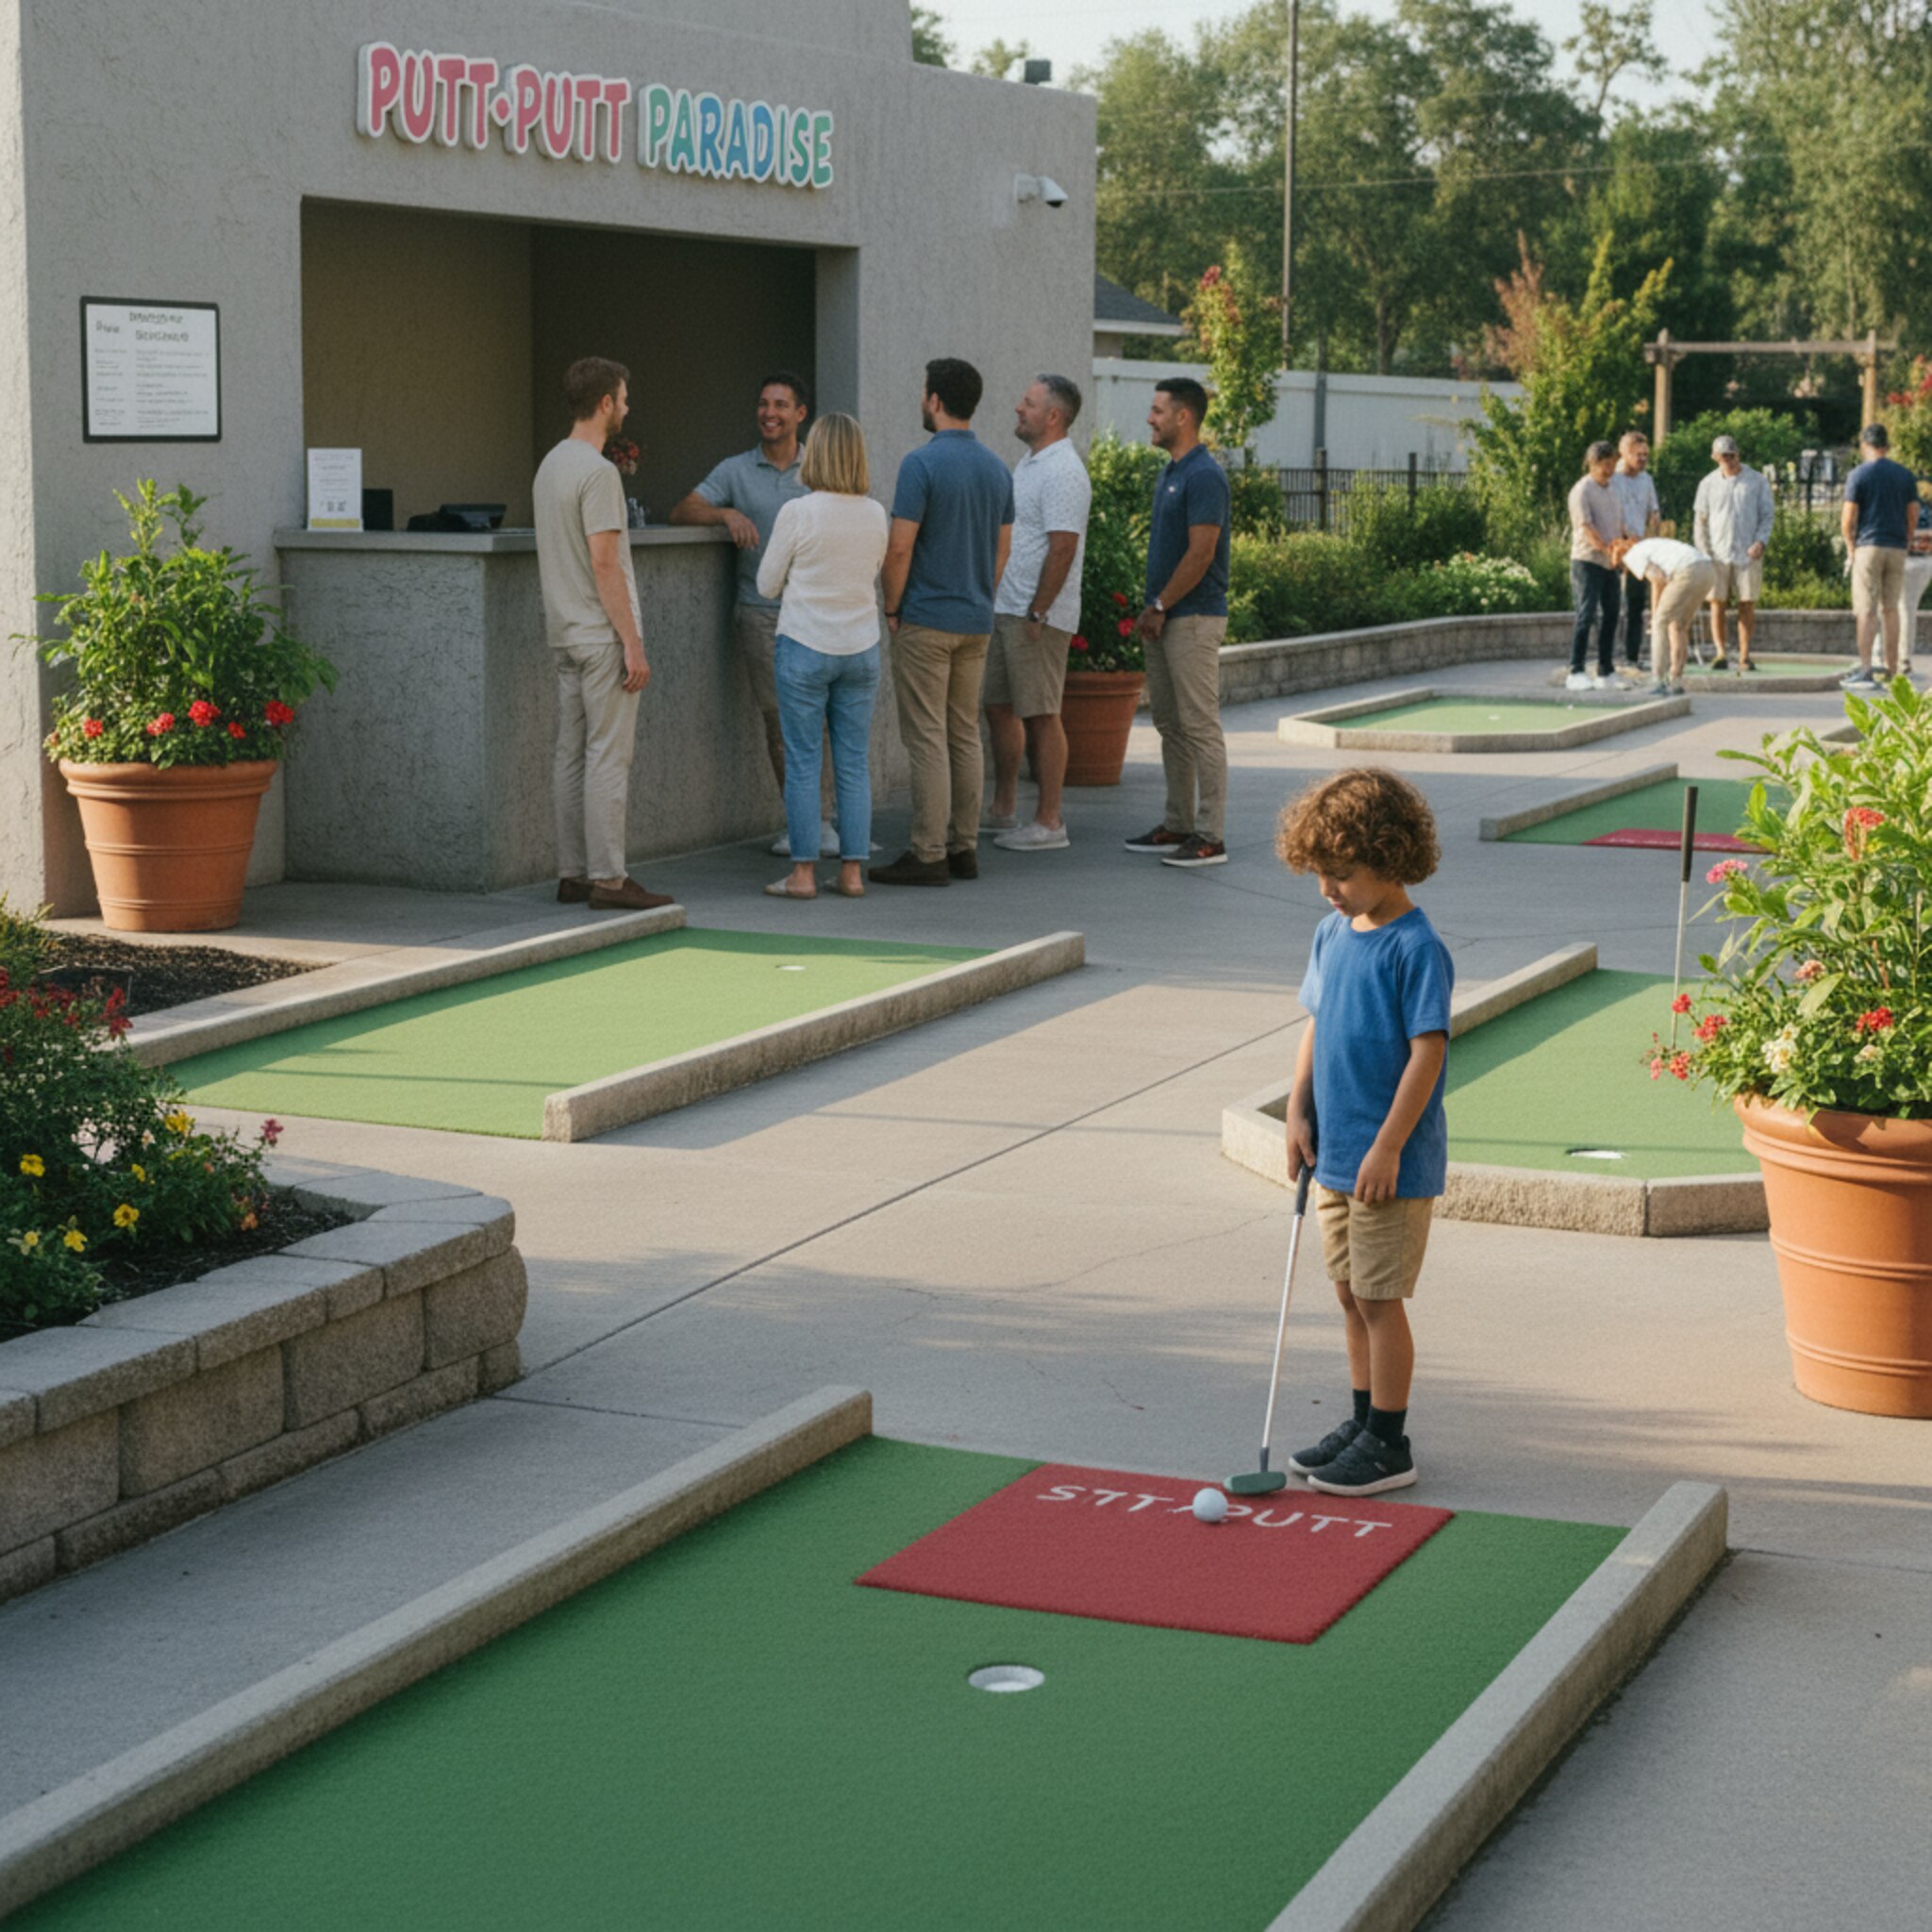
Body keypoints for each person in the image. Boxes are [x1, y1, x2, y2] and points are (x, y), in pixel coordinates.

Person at [1274, 768, 1453, 1498]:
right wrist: (1296, 1108)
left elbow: (1429, 1051)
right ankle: (1360, 1419)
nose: (1328, 889)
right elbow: (1316, 1022)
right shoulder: (1331, 932)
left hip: (1388, 1163)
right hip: (1336, 1153)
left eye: (1341, 874)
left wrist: (1388, 1145)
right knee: (1349, 1294)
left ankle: (1390, 1440)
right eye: (1319, 874)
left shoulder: (1417, 948)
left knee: (1380, 1300)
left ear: (1388, 857)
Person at [669, 373, 833, 857]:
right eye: (763, 404)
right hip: (762, 616)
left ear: (801, 415)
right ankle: (804, 824)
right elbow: (683, 509)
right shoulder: (736, 470)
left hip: (818, 613)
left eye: (781, 405)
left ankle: (826, 822)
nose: (769, 413)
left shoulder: (821, 469)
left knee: (823, 719)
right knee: (781, 723)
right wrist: (725, 515)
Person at [533, 357, 675, 912]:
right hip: (600, 637)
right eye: (623, 397)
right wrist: (632, 641)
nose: (627, 407)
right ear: (604, 404)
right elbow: (605, 563)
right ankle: (610, 879)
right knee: (608, 758)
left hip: (564, 634)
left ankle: (573, 875)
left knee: (570, 755)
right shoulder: (599, 472)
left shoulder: (550, 466)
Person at [874, 358, 1015, 889]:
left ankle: (928, 853)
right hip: (976, 619)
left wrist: (892, 607)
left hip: (926, 620)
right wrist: (980, 594)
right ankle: (964, 847)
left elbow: (900, 546)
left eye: (922, 391)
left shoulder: (920, 464)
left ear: (934, 400)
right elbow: (1003, 549)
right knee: (963, 734)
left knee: (927, 736)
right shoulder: (998, 467)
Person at [755, 414, 889, 902]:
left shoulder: (798, 511)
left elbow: (767, 584)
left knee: (805, 761)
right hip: (860, 649)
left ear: (818, 454)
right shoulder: (876, 514)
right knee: (853, 762)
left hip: (805, 647)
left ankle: (804, 875)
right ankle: (852, 874)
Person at [1122, 377, 1233, 867]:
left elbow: (1202, 552)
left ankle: (1210, 836)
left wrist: (1161, 605)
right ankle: (1178, 823)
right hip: (1166, 618)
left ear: (1183, 416)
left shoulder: (1204, 475)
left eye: (1157, 410)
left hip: (1190, 619)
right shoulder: (1171, 471)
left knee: (1199, 726)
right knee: (1171, 725)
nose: (1150, 418)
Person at [984, 375, 1091, 853]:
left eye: (1027, 403)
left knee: (1042, 714)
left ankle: (1050, 822)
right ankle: (1004, 809)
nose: (1017, 409)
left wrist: (1038, 611)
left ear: (1053, 416)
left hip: (1036, 616)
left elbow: (1063, 546)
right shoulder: (1029, 463)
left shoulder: (1064, 470)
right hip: (1008, 607)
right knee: (999, 707)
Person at [1840, 424, 1919, 688]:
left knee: (1866, 610)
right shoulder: (1904, 475)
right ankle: (1892, 668)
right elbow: (1913, 514)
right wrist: (1906, 539)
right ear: (1886, 445)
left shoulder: (1858, 475)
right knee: (1891, 609)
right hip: (1896, 546)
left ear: (1865, 445)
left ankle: (1865, 668)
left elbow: (1848, 518)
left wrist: (1850, 546)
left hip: (1868, 546)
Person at [1692, 434, 1774, 672]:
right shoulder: (1707, 484)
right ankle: (1721, 653)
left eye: (1732, 455)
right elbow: (1700, 521)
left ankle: (1745, 655)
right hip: (1717, 552)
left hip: (1748, 552)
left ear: (1738, 454)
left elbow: (1767, 515)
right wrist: (1704, 551)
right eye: (1723, 456)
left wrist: (1761, 541)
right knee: (1717, 602)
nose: (1728, 460)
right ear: (1715, 457)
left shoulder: (1757, 481)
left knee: (1747, 603)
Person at [1612, 534, 1716, 696]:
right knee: (1679, 626)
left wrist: (1656, 617)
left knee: (1660, 623)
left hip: (1688, 570)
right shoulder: (1651, 545)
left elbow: (1658, 578)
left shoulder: (1632, 555)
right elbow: (1659, 581)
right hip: (1707, 569)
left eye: (1619, 568)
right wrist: (1657, 611)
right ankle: (1676, 679)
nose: (1622, 572)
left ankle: (1658, 679)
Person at [1565, 441, 1624, 691]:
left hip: (1610, 563)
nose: (1611, 469)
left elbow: (1618, 524)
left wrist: (1623, 546)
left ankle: (1605, 670)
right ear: (1593, 463)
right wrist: (1607, 549)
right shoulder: (1582, 491)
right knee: (1586, 614)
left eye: (1613, 463)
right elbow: (1586, 528)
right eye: (1606, 464)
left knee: (1611, 614)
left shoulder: (1612, 488)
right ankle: (1575, 670)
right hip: (1587, 561)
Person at [1608, 429, 1660, 673]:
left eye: (1645, 455)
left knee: (1636, 605)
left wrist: (1652, 536)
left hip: (1640, 551)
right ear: (1625, 453)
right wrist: (1624, 536)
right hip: (1616, 548)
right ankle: (1608, 657)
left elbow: (1654, 512)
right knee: (1612, 605)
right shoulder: (1613, 479)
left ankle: (1632, 656)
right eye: (1638, 454)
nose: (1642, 459)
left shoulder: (1646, 480)